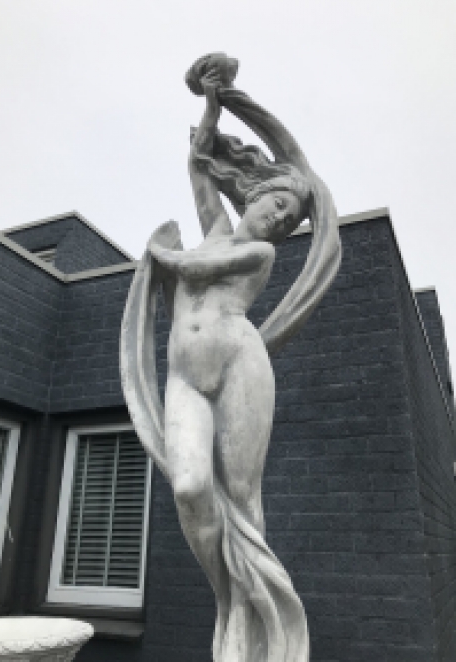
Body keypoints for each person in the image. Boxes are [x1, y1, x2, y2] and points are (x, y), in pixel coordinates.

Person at [121, 55, 341, 662]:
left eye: (289, 221)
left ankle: (249, 620)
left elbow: (190, 267)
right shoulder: (217, 225)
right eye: (277, 206)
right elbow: (198, 164)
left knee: (242, 500)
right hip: (185, 376)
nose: (280, 221)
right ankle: (229, 601)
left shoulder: (259, 257)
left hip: (241, 367)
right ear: (254, 195)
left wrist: (160, 253)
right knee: (191, 486)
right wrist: (214, 101)